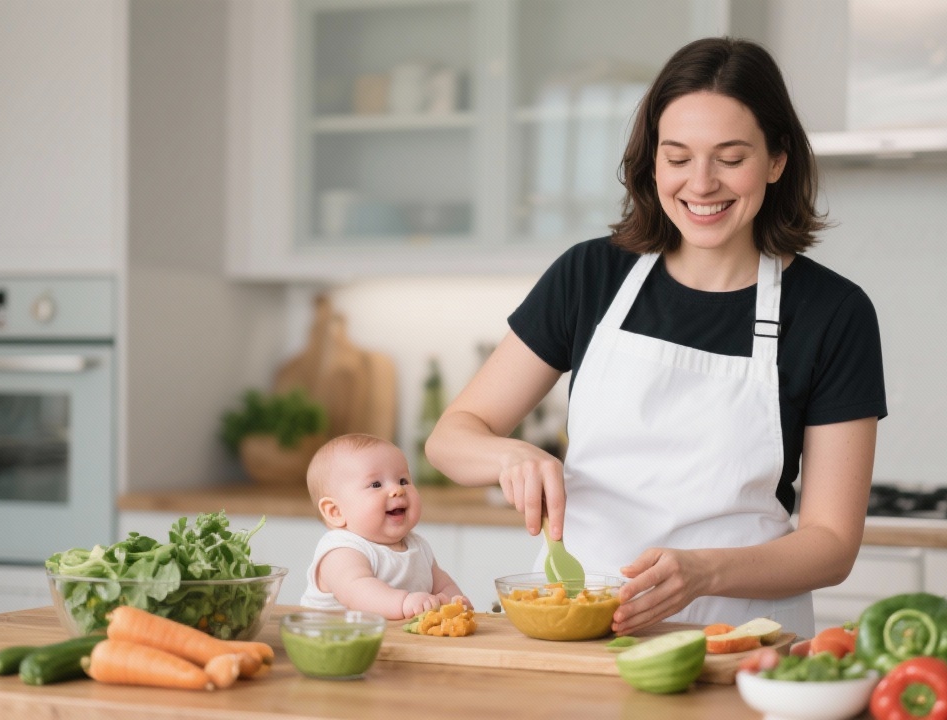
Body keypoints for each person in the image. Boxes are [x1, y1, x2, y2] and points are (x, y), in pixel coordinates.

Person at [426, 37, 885, 637]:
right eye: (677, 157)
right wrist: (510, 453)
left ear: (776, 161)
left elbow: (831, 545)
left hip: (738, 641)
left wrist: (704, 573)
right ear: (652, 162)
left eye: (730, 157)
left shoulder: (832, 311)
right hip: (580, 626)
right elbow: (451, 438)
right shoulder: (591, 275)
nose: (701, 183)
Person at [299, 433, 471, 620]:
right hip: (332, 643)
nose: (397, 490)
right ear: (335, 512)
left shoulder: (417, 545)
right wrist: (404, 603)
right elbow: (357, 592)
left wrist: (454, 600)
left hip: (393, 642)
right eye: (376, 484)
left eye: (403, 481)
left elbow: (442, 584)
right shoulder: (342, 549)